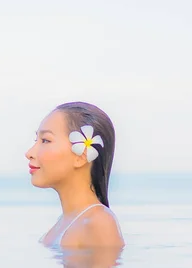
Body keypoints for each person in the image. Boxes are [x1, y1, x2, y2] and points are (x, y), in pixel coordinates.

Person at [25, 101, 124, 250]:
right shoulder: (68, 221)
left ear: (81, 156)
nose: (29, 153)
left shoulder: (97, 223)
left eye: (45, 140)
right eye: (36, 140)